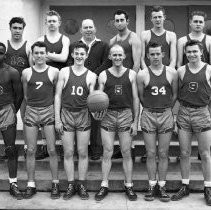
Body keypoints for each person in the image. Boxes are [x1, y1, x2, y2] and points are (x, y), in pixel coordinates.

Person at [94, 44, 140, 201]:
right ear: (110, 57)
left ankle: (129, 185)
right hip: (108, 115)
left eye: (120, 55)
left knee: (126, 152)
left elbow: (135, 98)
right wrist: (97, 112)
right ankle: (104, 185)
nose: (118, 57)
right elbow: (98, 98)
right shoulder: (103, 75)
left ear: (124, 56)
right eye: (114, 55)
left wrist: (135, 122)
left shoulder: (132, 74)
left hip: (126, 114)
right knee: (107, 151)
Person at [54, 41, 97, 200]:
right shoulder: (64, 72)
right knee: (68, 152)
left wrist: (96, 113)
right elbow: (57, 96)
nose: (79, 56)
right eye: (76, 53)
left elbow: (93, 100)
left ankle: (82, 185)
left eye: (82, 54)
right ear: (72, 54)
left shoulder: (92, 75)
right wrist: (57, 119)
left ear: (86, 56)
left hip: (83, 115)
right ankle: (71, 184)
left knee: (83, 152)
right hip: (66, 114)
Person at [171, 40, 211, 206]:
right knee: (185, 152)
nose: (192, 54)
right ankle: (185, 185)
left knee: (205, 154)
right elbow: (176, 96)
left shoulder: (209, 69)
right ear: (185, 54)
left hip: (202, 112)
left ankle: (208, 188)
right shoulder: (180, 71)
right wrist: (174, 117)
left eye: (195, 51)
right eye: (189, 52)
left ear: (201, 52)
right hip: (184, 113)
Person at [137, 42, 178, 202]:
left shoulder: (172, 73)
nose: (155, 57)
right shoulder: (142, 74)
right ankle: (151, 185)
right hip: (148, 114)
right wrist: (149, 108)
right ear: (147, 56)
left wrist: (167, 109)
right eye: (152, 54)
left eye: (157, 53)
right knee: (151, 153)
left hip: (166, 114)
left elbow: (174, 95)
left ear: (163, 54)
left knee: (163, 153)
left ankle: (162, 186)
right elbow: (141, 97)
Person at [67, 19, 111, 160]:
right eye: (85, 27)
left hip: (96, 84)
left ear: (95, 29)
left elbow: (106, 63)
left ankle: (96, 150)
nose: (88, 30)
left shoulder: (103, 45)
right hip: (77, 84)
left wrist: (93, 74)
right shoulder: (74, 45)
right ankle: (74, 150)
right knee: (78, 115)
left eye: (90, 27)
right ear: (81, 30)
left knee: (96, 117)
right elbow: (69, 62)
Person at [21, 41, 60, 199]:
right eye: (36, 53)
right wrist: (25, 114)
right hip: (31, 111)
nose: (39, 56)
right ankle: (31, 184)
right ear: (32, 54)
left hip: (48, 111)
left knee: (51, 150)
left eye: (42, 53)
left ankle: (55, 183)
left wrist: (56, 116)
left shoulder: (54, 71)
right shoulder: (26, 73)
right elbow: (25, 95)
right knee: (30, 150)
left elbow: (57, 95)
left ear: (46, 54)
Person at [37, 10, 70, 159]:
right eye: (49, 21)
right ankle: (45, 146)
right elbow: (35, 60)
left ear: (59, 23)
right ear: (46, 23)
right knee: (46, 112)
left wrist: (44, 55)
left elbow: (63, 58)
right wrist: (46, 57)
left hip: (62, 80)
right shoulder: (40, 38)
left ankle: (63, 146)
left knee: (61, 112)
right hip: (46, 80)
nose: (51, 23)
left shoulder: (65, 39)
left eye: (54, 21)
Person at [110, 9, 141, 159]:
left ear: (127, 21)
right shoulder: (112, 41)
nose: (119, 22)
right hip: (115, 82)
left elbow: (136, 63)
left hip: (129, 80)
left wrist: (130, 80)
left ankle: (131, 147)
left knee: (130, 112)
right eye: (117, 20)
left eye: (122, 20)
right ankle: (120, 146)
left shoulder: (133, 37)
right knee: (116, 113)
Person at [3, 17, 32, 160]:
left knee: (25, 118)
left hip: (23, 90)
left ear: (23, 29)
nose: (17, 31)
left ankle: (27, 148)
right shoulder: (4, 46)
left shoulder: (27, 47)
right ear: (10, 28)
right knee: (6, 120)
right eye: (15, 27)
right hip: (7, 90)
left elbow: (33, 70)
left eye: (20, 28)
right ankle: (8, 148)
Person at [0, 42, 23, 199]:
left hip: (6, 110)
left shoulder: (12, 72)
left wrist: (13, 109)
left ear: (5, 54)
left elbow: (19, 95)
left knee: (10, 149)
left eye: (0, 52)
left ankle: (13, 184)